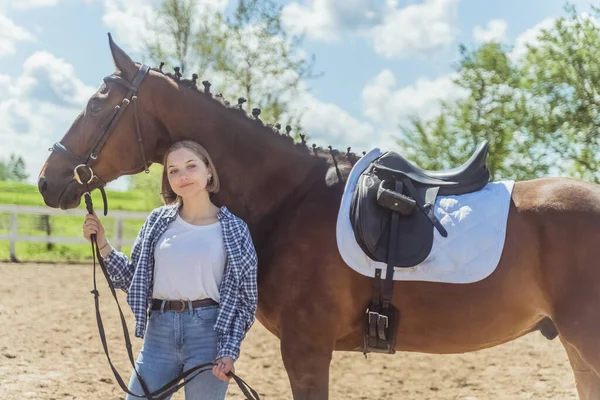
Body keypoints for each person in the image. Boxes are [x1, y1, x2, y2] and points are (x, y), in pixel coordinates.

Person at [82, 139, 258, 400]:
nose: (182, 176)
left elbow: (245, 300)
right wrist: (103, 244)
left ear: (208, 171)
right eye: (173, 170)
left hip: (208, 334)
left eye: (191, 166)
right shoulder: (157, 221)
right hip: (159, 333)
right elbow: (134, 280)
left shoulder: (234, 229)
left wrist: (229, 350)